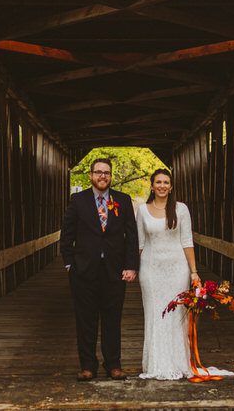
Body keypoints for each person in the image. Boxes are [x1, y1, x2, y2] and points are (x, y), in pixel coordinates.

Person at [136, 168, 234, 380]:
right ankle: (155, 364)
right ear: (152, 186)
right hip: (151, 270)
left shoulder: (181, 209)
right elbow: (140, 244)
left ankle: (179, 362)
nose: (162, 186)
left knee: (176, 316)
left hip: (176, 269)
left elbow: (187, 241)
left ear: (171, 187)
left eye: (166, 182)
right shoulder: (143, 210)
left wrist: (193, 272)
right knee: (154, 315)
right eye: (158, 182)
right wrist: (132, 269)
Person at [60, 158, 139, 381]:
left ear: (111, 176)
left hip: (114, 270)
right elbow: (66, 235)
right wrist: (70, 264)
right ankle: (87, 365)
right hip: (84, 271)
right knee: (86, 319)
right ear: (91, 175)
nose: (102, 176)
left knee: (112, 319)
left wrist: (131, 265)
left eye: (106, 172)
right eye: (98, 172)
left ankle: (113, 364)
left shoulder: (122, 200)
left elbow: (131, 236)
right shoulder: (78, 200)